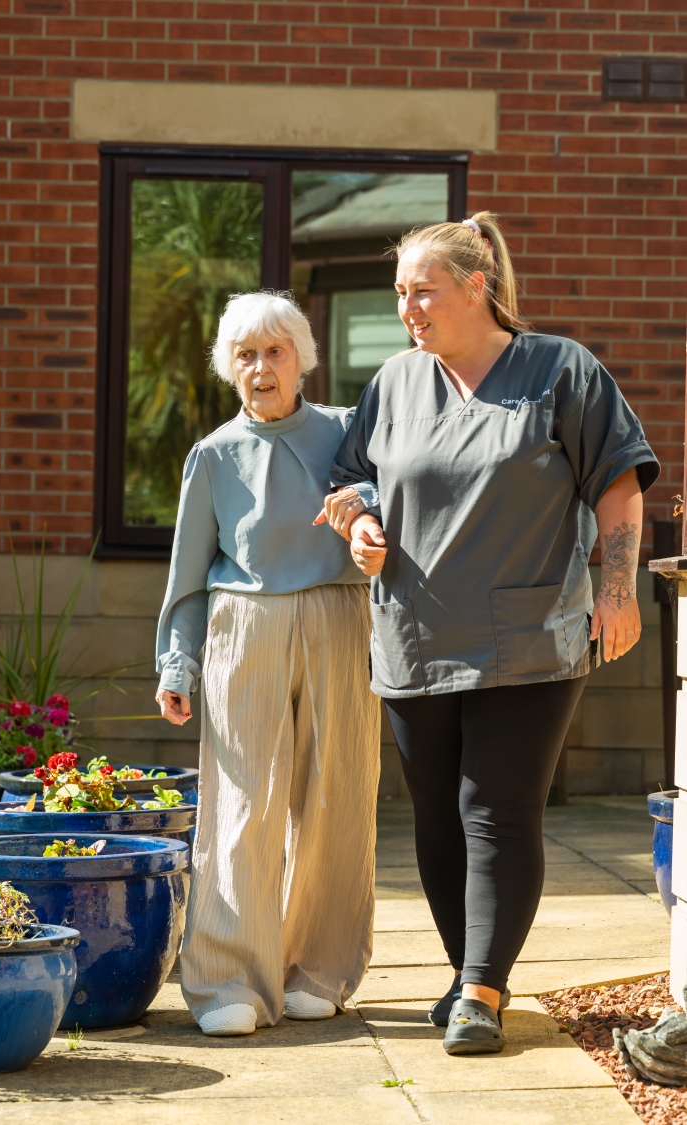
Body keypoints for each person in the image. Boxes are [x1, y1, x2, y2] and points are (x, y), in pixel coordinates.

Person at [318, 212, 659, 1056]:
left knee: (495, 810)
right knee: (436, 814)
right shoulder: (395, 382)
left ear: (478, 286)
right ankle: (467, 968)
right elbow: (351, 478)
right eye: (400, 294)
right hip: (414, 632)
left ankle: (481, 989)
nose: (409, 309)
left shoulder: (560, 370)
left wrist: (617, 588)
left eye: (423, 291)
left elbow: (618, 482)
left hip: (531, 635)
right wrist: (357, 522)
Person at [155, 292, 381, 1037]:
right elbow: (188, 577)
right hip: (243, 625)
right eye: (245, 354)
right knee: (241, 804)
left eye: (275, 351)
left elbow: (387, 492)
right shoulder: (212, 455)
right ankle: (228, 979)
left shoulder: (347, 432)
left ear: (301, 359)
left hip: (340, 619)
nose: (261, 367)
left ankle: (320, 964)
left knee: (337, 794)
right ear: (229, 366)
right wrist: (176, 667)